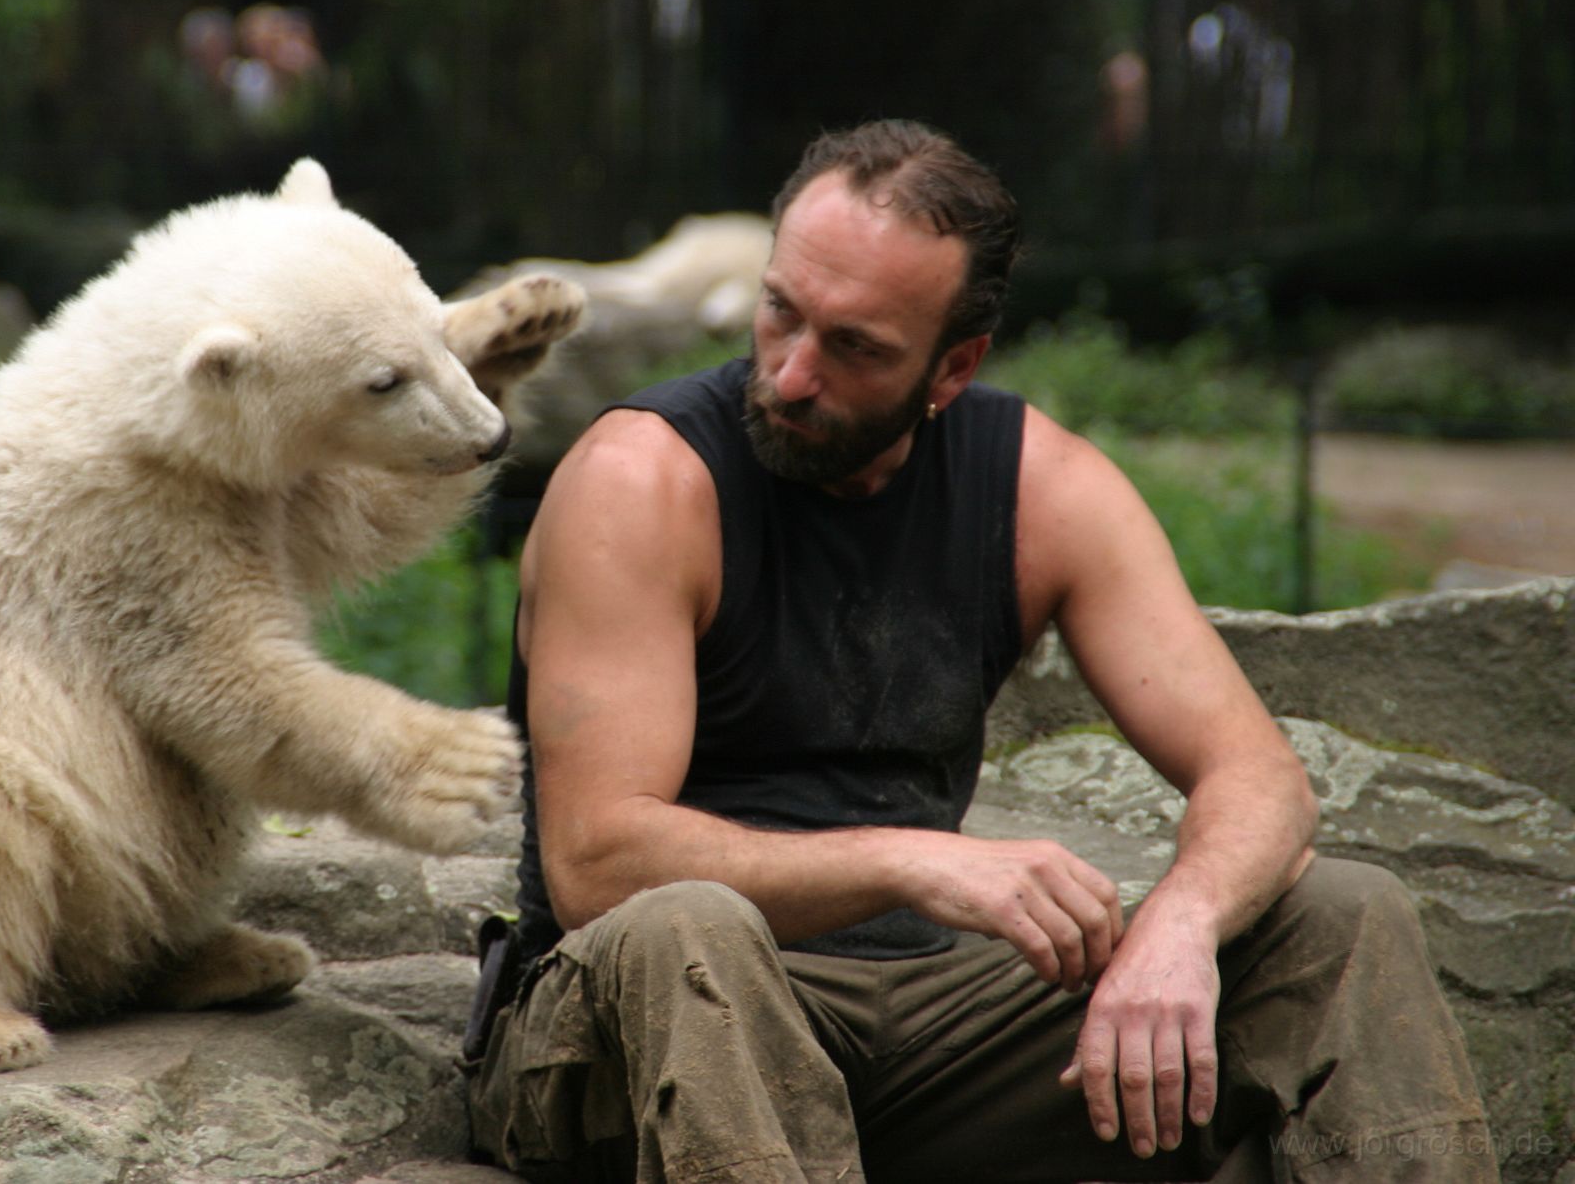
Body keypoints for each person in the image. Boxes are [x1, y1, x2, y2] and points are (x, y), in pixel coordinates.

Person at [465, 120, 1491, 1182]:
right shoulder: (640, 482)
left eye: (854, 346)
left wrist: (1180, 928)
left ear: (951, 366)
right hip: (629, 1019)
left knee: (1338, 914)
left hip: (926, 1023)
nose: (790, 374)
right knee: (689, 930)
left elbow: (1259, 778)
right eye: (780, 312)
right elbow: (595, 868)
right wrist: (914, 859)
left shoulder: (1040, 488)